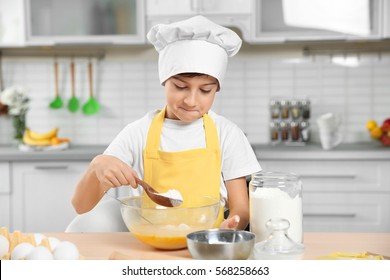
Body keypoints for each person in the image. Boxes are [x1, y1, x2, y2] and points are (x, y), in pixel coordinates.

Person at [71, 15, 261, 230]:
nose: (191, 100)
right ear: (165, 81)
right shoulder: (138, 133)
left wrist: (232, 226)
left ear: (216, 89)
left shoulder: (227, 134)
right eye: (180, 87)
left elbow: (241, 210)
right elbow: (81, 206)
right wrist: (98, 165)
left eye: (205, 90)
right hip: (150, 245)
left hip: (206, 246)